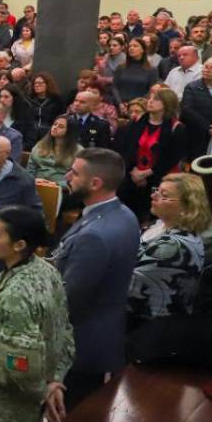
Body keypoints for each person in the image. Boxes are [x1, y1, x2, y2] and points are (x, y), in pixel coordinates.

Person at [0, 205, 74, 422]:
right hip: (34, 395)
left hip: (5, 406)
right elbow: (64, 332)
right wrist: (54, 380)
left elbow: (20, 365)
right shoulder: (46, 270)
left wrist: (43, 391)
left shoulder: (16, 294)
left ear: (19, 245)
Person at [54, 148, 141, 406]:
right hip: (104, 331)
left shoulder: (95, 235)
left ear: (95, 183)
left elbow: (70, 298)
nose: (68, 176)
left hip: (83, 346)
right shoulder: (124, 214)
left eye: (75, 172)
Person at [125, 174, 212, 359]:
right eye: (156, 190)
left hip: (150, 333)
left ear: (188, 207)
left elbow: (129, 289)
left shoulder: (173, 246)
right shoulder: (162, 227)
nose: (154, 196)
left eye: (164, 195)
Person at [116, 87, 187, 222]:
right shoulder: (136, 123)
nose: (150, 101)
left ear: (167, 104)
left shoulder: (176, 128)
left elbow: (172, 157)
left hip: (159, 177)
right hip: (133, 175)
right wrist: (134, 171)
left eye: (156, 99)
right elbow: (127, 149)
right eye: (150, 98)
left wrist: (147, 173)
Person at [28, 115, 79, 185]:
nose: (55, 127)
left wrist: (56, 184)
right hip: (37, 186)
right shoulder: (40, 145)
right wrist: (33, 181)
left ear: (69, 131)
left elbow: (76, 178)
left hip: (62, 190)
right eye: (55, 124)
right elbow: (30, 170)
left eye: (61, 127)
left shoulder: (78, 151)